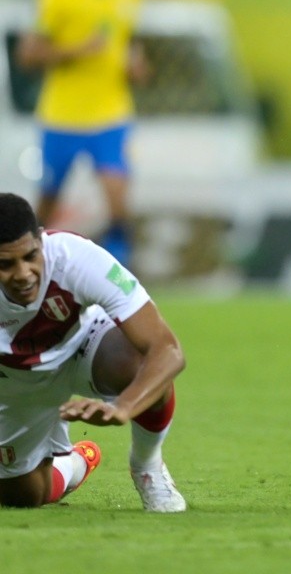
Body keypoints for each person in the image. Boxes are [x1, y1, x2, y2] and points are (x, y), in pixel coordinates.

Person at [0, 192, 186, 511]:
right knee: (25, 498)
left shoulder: (75, 256)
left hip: (82, 347)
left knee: (141, 362)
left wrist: (124, 407)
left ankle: (147, 466)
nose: (23, 273)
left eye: (30, 256)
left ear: (41, 240)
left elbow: (167, 350)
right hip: (16, 384)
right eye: (5, 264)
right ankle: (73, 465)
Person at [16, 0, 148, 268]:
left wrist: (137, 68)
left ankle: (121, 272)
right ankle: (29, 263)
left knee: (117, 198)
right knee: (48, 199)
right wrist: (77, 50)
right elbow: (28, 54)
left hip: (111, 115)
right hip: (62, 116)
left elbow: (131, 47)